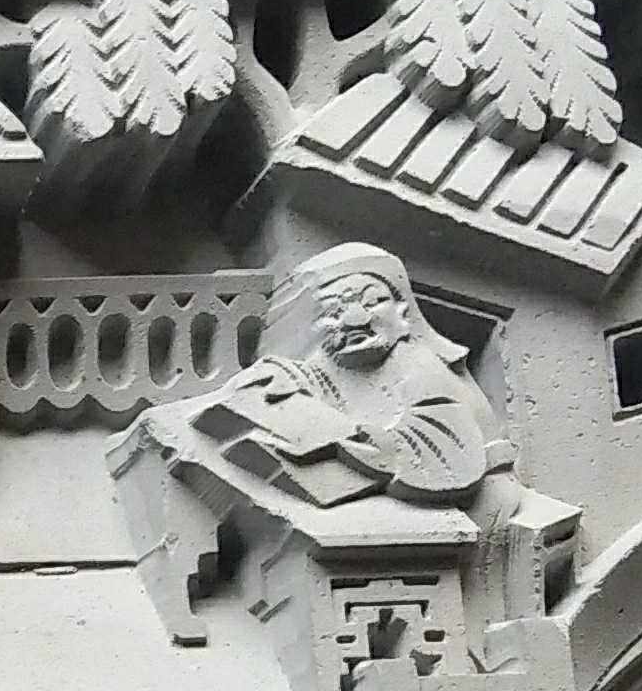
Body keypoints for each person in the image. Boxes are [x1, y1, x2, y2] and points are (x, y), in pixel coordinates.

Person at [112, 240, 514, 642]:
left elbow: (447, 455)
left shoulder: (418, 366)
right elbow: (299, 380)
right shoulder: (330, 363)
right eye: (334, 311)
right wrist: (277, 384)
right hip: (320, 470)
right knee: (171, 434)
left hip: (421, 501)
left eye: (371, 302)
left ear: (403, 312)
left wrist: (351, 439)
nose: (354, 319)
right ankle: (178, 585)